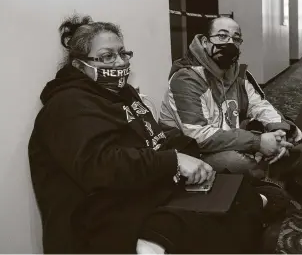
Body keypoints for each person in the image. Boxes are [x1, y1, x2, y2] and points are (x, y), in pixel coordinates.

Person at [28, 15, 265, 254]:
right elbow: (101, 166)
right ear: (79, 66)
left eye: (123, 53)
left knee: (237, 193)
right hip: (102, 217)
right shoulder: (67, 105)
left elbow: (153, 137)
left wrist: (188, 152)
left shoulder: (123, 93)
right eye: (107, 56)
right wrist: (174, 160)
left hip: (147, 191)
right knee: (222, 223)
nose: (119, 62)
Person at [159, 17, 302, 178]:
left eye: (236, 38)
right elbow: (197, 135)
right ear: (205, 42)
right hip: (189, 151)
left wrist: (278, 130)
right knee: (236, 162)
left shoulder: (238, 75)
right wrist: (257, 142)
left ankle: (268, 175)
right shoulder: (186, 79)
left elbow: (259, 106)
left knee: (287, 134)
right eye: (222, 36)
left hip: (227, 140)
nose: (230, 43)